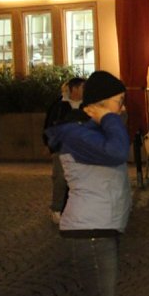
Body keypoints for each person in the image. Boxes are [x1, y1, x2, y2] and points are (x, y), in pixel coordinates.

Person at [45, 71, 130, 296]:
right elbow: (118, 151)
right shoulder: (77, 134)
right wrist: (108, 117)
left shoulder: (89, 132)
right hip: (90, 230)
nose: (122, 109)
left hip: (102, 226)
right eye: (118, 103)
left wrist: (107, 116)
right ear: (99, 104)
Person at [43, 76, 85, 224]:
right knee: (60, 179)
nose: (84, 91)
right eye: (82, 88)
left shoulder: (87, 106)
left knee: (80, 180)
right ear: (73, 89)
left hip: (81, 149)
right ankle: (57, 209)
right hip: (62, 148)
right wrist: (51, 146)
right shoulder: (59, 106)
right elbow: (49, 126)